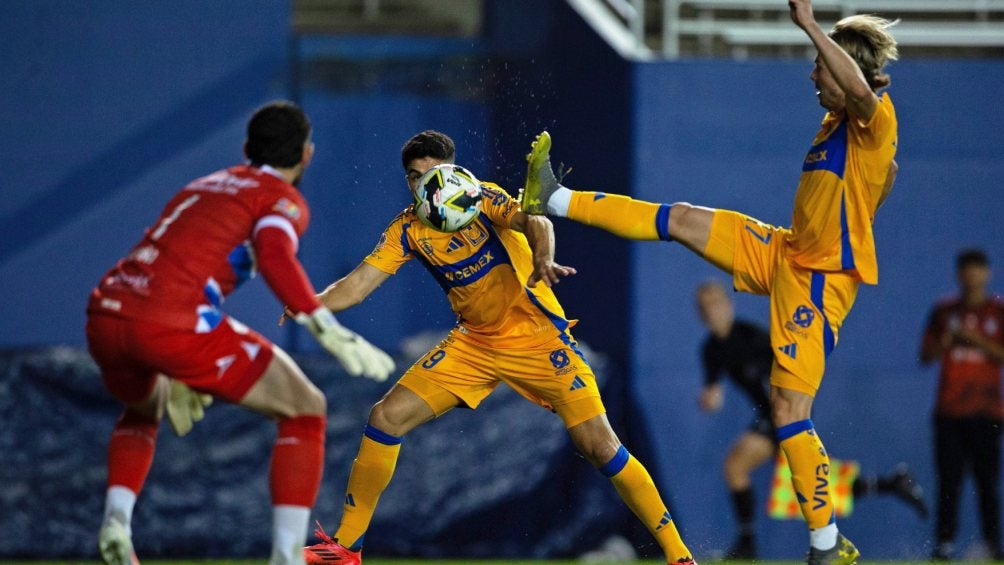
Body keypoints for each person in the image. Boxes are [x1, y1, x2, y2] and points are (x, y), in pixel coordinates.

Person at [519, 1, 899, 562]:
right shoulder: (837, 125)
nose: (812, 72)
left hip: (819, 281)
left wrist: (811, 26)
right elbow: (882, 174)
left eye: (820, 64)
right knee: (683, 218)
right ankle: (553, 198)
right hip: (786, 251)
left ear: (845, 67)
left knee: (789, 410)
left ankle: (827, 544)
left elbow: (865, 101)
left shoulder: (874, 116)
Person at [296, 130, 697, 565]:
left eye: (434, 175)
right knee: (385, 417)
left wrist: (543, 259)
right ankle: (346, 548)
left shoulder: (483, 197)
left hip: (538, 337)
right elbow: (357, 285)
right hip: (475, 343)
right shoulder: (408, 229)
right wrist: (307, 304)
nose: (426, 188)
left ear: (454, 172)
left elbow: (537, 220)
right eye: (415, 178)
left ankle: (678, 556)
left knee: (600, 447)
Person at [85, 100, 395, 565]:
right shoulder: (280, 199)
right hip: (172, 322)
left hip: (107, 313)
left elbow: (173, 262)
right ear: (306, 155)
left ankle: (117, 521)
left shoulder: (204, 185)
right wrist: (324, 325)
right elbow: (273, 255)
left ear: (248, 147)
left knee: (146, 405)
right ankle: (288, 557)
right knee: (306, 408)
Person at [695, 280, 926, 559]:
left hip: (788, 412)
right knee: (807, 485)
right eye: (704, 307)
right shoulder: (710, 349)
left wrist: (788, 409)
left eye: (715, 303)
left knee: (737, 467)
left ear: (729, 306)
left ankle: (748, 544)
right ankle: (891, 484)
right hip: (771, 415)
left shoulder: (751, 336)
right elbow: (713, 391)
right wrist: (710, 400)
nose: (711, 311)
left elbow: (789, 368)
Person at [920, 249, 1004, 561]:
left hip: (987, 409)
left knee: (988, 481)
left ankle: (993, 545)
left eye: (977, 269)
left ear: (987, 274)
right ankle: (944, 545)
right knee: (949, 481)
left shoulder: (997, 312)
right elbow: (926, 356)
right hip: (950, 410)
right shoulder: (943, 312)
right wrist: (946, 341)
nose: (972, 276)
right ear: (958, 274)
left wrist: (974, 339)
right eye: (966, 270)